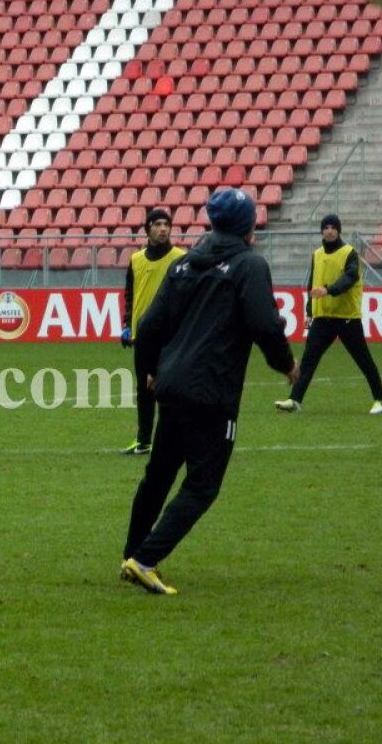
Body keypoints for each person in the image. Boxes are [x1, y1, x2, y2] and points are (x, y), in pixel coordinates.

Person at [121, 189, 298, 595]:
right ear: (248, 226)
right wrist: (286, 364)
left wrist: (149, 371)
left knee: (158, 475)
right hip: (212, 393)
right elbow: (266, 325)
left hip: (171, 386)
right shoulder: (249, 266)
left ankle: (131, 554)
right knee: (202, 485)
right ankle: (146, 559)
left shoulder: (184, 265)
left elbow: (148, 327)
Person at [274, 214, 382, 415]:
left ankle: (379, 398)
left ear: (338, 230)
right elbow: (312, 283)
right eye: (326, 227)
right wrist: (309, 311)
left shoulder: (349, 253)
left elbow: (349, 278)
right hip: (323, 317)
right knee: (308, 359)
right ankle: (295, 400)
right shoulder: (317, 254)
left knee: (363, 359)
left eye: (333, 227)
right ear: (322, 231)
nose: (329, 230)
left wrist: (328, 290)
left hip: (347, 317)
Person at [119, 208, 187, 455]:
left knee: (169, 389)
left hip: (171, 336)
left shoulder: (181, 258)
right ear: (147, 229)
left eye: (166, 224)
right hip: (143, 336)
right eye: (157, 224)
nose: (163, 229)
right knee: (144, 390)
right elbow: (130, 294)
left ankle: (175, 438)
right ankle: (144, 440)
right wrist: (127, 324)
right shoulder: (136, 260)